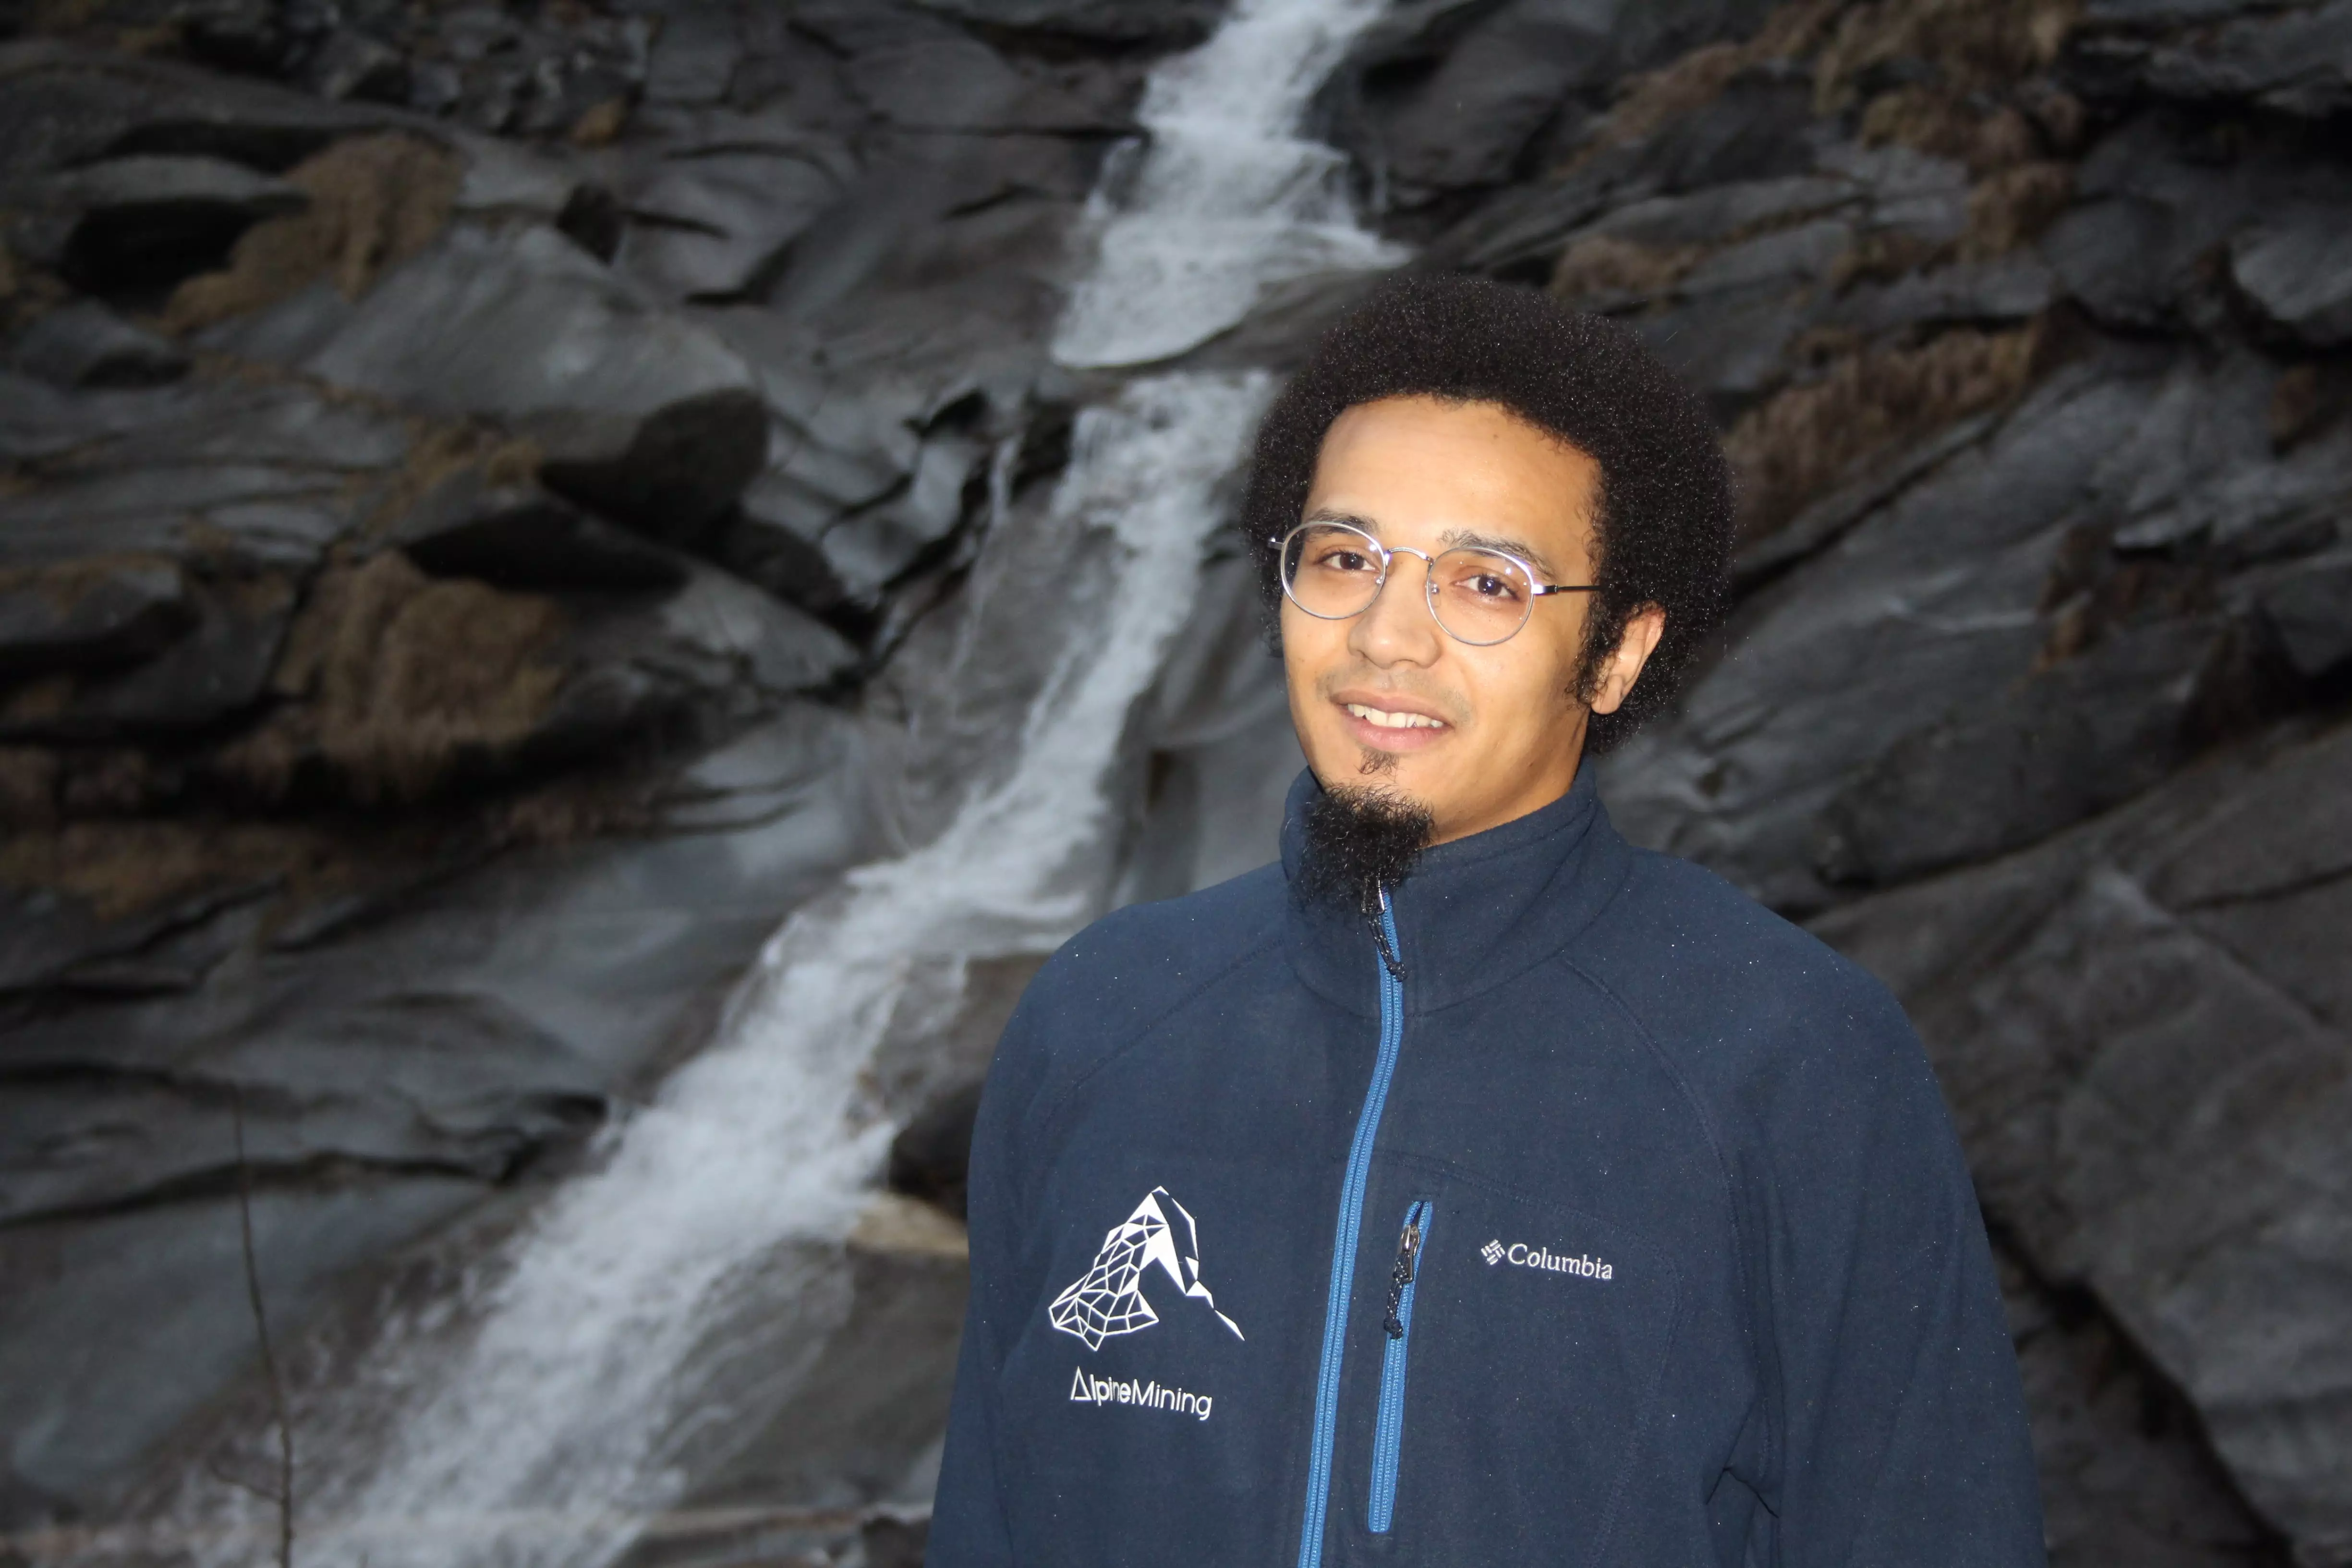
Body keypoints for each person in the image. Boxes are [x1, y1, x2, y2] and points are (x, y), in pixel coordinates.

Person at [927, 274, 2045, 1567]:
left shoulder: (1793, 1060)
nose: (1388, 638)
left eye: (1487, 583)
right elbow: (991, 1523)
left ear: (1618, 653)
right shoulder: (1102, 1015)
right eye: (1345, 559)